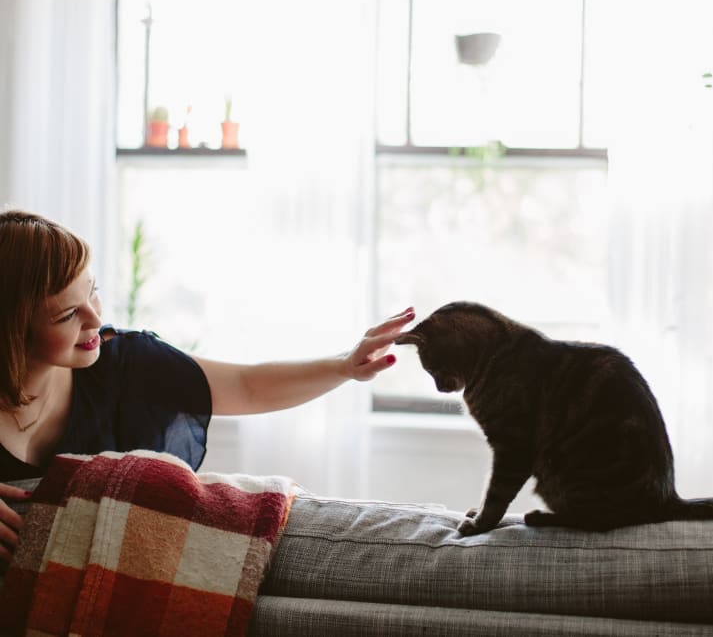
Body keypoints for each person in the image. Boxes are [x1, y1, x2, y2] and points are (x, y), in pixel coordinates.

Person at [0, 208, 414, 563]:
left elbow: (247, 385)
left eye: (94, 293)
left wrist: (344, 365)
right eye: (68, 313)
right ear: (13, 328)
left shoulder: (123, 362)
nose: (94, 319)